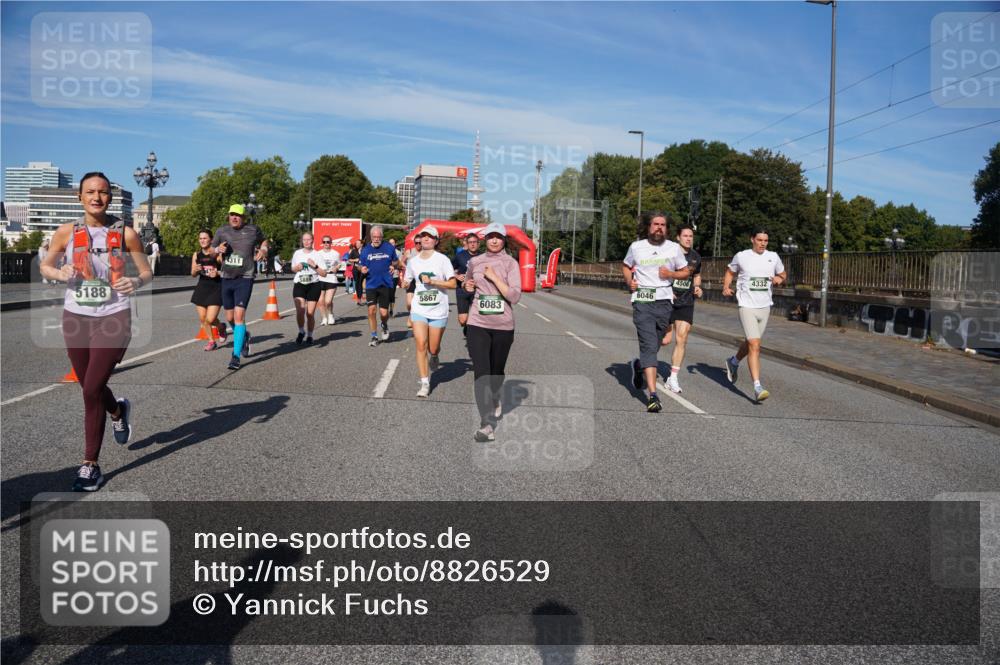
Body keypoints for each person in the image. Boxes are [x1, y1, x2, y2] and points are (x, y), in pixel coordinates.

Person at [39, 172, 153, 491]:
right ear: (80, 197)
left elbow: (146, 270)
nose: (96, 197)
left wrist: (137, 281)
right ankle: (117, 410)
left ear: (110, 198)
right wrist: (59, 272)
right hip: (76, 316)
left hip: (114, 316)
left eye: (103, 192)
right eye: (90, 192)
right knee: (91, 385)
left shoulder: (126, 234)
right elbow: (46, 265)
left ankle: (90, 465)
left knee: (90, 389)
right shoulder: (66, 232)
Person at [623, 211, 693, 413]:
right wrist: (630, 282)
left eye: (662, 224)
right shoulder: (636, 247)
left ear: (666, 228)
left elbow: (685, 271)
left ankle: (639, 366)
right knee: (647, 344)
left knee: (659, 342)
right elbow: (626, 266)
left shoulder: (673, 248)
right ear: (648, 226)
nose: (659, 227)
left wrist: (670, 274)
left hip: (664, 303)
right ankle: (653, 396)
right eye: (655, 224)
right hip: (642, 301)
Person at [463, 222, 522, 441]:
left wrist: (495, 278)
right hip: (477, 323)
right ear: (485, 239)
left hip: (503, 326)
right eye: (490, 237)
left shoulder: (510, 263)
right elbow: (468, 280)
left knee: (496, 373)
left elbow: (515, 296)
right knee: (481, 374)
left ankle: (496, 396)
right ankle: (487, 424)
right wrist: (467, 286)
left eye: (498, 237)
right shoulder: (475, 261)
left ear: (504, 240)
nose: (494, 240)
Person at [722, 228, 787, 402]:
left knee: (752, 343)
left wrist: (779, 279)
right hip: (746, 305)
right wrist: (726, 287)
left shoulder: (773, 256)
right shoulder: (742, 256)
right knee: (755, 344)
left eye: (765, 240)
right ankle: (757, 386)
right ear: (752, 240)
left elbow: (782, 273)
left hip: (765, 307)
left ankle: (733, 362)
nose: (763, 243)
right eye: (759, 240)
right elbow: (730, 271)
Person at [211, 203, 268, 370]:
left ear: (243, 217)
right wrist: (217, 249)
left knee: (239, 316)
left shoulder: (252, 230)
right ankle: (243, 336)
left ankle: (235, 357)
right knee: (229, 318)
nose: (234, 218)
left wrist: (263, 249)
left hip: (245, 277)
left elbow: (264, 240)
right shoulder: (222, 231)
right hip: (227, 277)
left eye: (238, 215)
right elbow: (211, 251)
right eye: (232, 215)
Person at [402, 226, 456, 397]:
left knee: (433, 348)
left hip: (438, 309)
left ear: (435, 240)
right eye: (422, 236)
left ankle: (434, 355)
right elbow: (407, 280)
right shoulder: (413, 261)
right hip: (419, 309)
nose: (425, 239)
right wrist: (403, 283)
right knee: (420, 344)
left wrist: (433, 282)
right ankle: (425, 383)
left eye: (429, 237)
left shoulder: (443, 260)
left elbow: (453, 284)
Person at [660, 225, 703, 393]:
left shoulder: (696, 257)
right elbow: (660, 272)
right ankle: (645, 361)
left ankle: (673, 378)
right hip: (667, 300)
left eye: (691, 236)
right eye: (685, 236)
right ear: (678, 237)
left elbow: (696, 275)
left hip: (686, 301)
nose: (688, 238)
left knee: (682, 337)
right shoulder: (669, 254)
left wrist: (698, 287)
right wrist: (667, 290)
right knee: (664, 340)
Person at [359, 226, 398, 347]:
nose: (376, 239)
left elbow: (396, 262)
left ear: (382, 237)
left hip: (385, 284)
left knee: (384, 313)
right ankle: (374, 336)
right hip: (371, 284)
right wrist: (362, 269)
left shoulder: (389, 247)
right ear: (371, 237)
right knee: (371, 311)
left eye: (378, 237)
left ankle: (384, 325)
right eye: (374, 237)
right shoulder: (365, 250)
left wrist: (393, 266)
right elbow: (360, 265)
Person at [190, 228, 227, 351]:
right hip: (202, 287)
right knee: (203, 319)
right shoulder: (196, 254)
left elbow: (226, 270)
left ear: (211, 240)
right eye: (200, 238)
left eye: (205, 238)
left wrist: (217, 273)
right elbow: (193, 274)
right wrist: (195, 271)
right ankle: (212, 341)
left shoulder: (216, 254)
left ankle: (221, 327)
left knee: (209, 319)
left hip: (216, 287)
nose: (202, 240)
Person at [290, 231, 327, 345]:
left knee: (310, 314)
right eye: (304, 240)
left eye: (308, 239)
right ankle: (301, 331)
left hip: (313, 285)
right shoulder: (297, 253)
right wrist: (297, 267)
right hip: (300, 284)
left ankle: (310, 335)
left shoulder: (317, 255)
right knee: (300, 310)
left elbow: (324, 274)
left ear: (312, 241)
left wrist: (314, 266)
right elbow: (293, 269)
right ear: (302, 241)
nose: (306, 242)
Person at [453, 232, 481, 338]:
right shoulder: (460, 255)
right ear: (467, 244)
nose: (473, 244)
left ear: (478, 244)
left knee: (477, 316)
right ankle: (467, 326)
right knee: (462, 320)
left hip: (477, 290)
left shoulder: (483, 256)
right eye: (470, 242)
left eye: (475, 242)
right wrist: (456, 275)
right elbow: (448, 269)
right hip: (462, 290)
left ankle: (473, 331)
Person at [315, 235, 341, 326]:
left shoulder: (336, 253)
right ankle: (324, 318)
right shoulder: (318, 253)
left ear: (331, 243)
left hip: (331, 278)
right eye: (324, 242)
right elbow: (314, 265)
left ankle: (330, 314)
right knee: (320, 301)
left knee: (328, 301)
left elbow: (339, 264)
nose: (326, 243)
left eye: (328, 242)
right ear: (322, 243)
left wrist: (336, 268)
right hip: (320, 278)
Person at [387, 237, 402, 316]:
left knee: (392, 294)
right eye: (390, 243)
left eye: (393, 243)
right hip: (385, 276)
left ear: (395, 244)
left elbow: (400, 264)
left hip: (394, 275)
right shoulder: (385, 252)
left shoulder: (398, 252)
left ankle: (391, 310)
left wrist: (394, 263)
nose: (391, 244)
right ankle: (385, 309)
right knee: (385, 293)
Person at [349, 239, 365, 305]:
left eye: (358, 243)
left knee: (360, 283)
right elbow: (349, 259)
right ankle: (358, 298)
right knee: (357, 283)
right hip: (355, 269)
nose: (357, 245)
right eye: (356, 243)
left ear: (361, 244)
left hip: (362, 269)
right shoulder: (353, 251)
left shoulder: (365, 251)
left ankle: (359, 299)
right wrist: (355, 260)